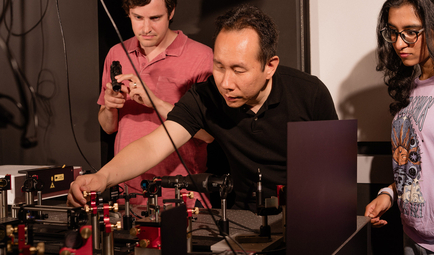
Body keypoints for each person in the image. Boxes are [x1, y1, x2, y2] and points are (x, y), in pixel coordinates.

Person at [69, 4, 338, 210]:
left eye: (238, 70)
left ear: (270, 66)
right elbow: (153, 145)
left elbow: (334, 172)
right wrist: (102, 178)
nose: (225, 82)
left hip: (304, 214)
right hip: (239, 214)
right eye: (219, 67)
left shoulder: (309, 93)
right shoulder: (205, 95)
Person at [364, 0, 434, 254]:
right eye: (393, 32)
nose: (398, 42)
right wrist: (389, 194)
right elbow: (425, 164)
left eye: (411, 32)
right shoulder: (413, 86)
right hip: (414, 241)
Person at [97, 0, 214, 207]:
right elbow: (108, 127)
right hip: (128, 192)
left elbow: (208, 134)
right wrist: (110, 106)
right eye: (138, 18)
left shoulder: (201, 57)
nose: (146, 28)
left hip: (182, 191)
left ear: (171, 12)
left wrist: (156, 103)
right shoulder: (117, 53)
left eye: (155, 18)